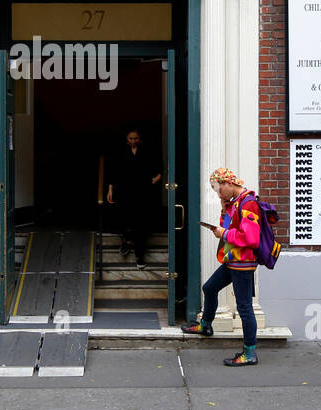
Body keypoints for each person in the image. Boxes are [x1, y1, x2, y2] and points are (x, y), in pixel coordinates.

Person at [181, 166, 261, 366]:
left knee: (244, 307)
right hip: (232, 260)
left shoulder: (248, 203)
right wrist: (224, 209)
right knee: (209, 288)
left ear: (229, 183)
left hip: (243, 263)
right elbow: (228, 227)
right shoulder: (235, 203)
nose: (217, 193)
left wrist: (223, 234)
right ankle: (205, 326)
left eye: (218, 188)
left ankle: (249, 352)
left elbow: (251, 238)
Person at [105, 128, 162, 269]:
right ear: (126, 140)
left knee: (141, 225)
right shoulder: (120, 153)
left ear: (140, 139)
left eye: (135, 138)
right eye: (130, 138)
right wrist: (110, 189)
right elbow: (113, 171)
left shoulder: (147, 152)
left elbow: (158, 167)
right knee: (123, 219)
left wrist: (157, 178)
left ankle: (140, 257)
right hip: (124, 192)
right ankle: (126, 240)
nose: (133, 141)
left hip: (142, 192)